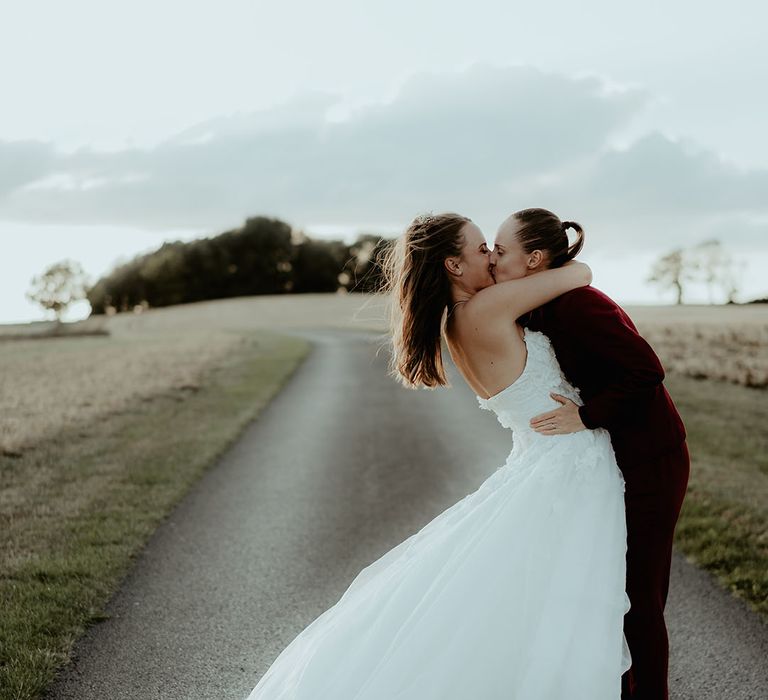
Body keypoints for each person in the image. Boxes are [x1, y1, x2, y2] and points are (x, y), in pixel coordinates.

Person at [243, 212, 631, 700]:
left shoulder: (456, 321)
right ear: (452, 264)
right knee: (567, 605)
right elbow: (580, 274)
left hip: (545, 463)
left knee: (538, 605)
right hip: (570, 469)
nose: (491, 255)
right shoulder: (486, 309)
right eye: (481, 248)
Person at [489, 207, 690, 700]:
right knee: (608, 595)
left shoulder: (578, 305)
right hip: (618, 460)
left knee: (638, 600)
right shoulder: (544, 301)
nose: (492, 260)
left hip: (651, 460)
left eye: (500, 250)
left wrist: (587, 414)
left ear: (534, 259)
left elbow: (647, 370)